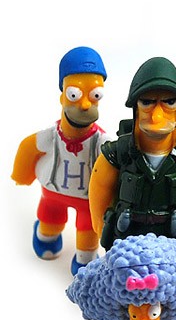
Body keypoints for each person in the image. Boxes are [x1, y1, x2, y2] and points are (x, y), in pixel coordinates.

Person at [89, 57, 176, 249]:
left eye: (169, 102)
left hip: (173, 234)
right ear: (135, 107)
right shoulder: (118, 153)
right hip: (128, 233)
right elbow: (100, 189)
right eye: (147, 102)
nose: (157, 116)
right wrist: (100, 225)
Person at [12, 46, 108, 275]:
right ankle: (46, 236)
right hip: (53, 192)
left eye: (94, 96)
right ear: (63, 96)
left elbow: (111, 164)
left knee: (88, 231)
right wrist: (22, 175)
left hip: (87, 198)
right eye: (75, 95)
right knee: (49, 222)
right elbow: (28, 147)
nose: (85, 105)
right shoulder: (52, 136)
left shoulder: (101, 141)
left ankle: (85, 257)